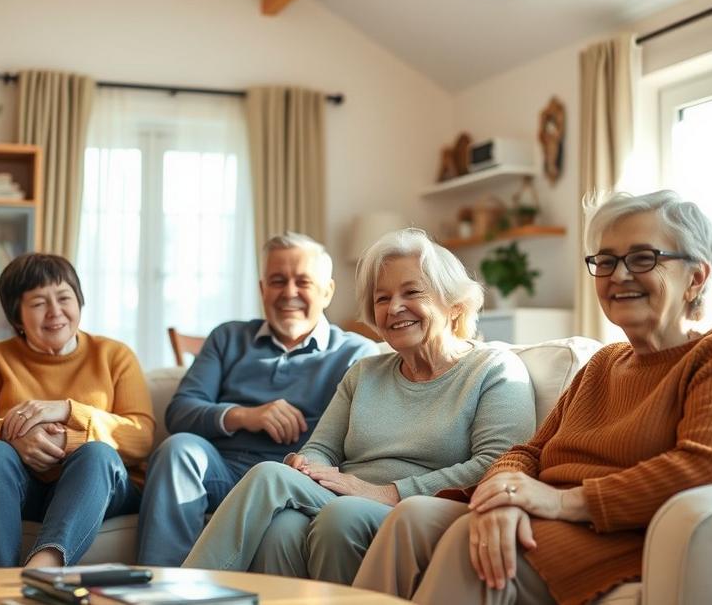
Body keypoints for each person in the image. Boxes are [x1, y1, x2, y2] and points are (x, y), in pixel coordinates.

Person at [354, 191, 712, 605]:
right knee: (410, 519)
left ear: (696, 277)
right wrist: (503, 495)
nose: (618, 275)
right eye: (607, 260)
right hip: (544, 514)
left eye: (642, 258)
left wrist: (560, 502)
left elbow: (706, 467)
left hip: (615, 532)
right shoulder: (604, 363)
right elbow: (528, 451)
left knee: (472, 549)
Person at [183, 228, 536, 584]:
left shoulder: (494, 369)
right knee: (283, 525)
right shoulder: (364, 373)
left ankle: (180, 593)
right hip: (343, 496)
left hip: (417, 509)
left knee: (300, 494)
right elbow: (321, 447)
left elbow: (496, 465)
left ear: (454, 305)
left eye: (411, 292)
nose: (394, 307)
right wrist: (309, 467)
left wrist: (385, 492)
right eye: (382, 298)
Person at [137, 232, 379, 566]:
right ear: (262, 289)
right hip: (222, 470)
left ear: (327, 291)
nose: (289, 293)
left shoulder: (355, 353)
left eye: (303, 282)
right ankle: (159, 589)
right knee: (177, 449)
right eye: (278, 281)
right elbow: (181, 411)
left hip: (292, 478)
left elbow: (351, 438)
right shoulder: (228, 337)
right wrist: (244, 415)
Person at [0, 253, 154, 568]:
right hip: (14, 490)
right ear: (17, 317)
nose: (55, 312)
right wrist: (11, 435)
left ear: (79, 302)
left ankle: (43, 569)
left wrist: (67, 412)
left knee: (98, 454)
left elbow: (140, 438)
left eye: (64, 298)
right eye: (39, 303)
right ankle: (0, 585)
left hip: (91, 489)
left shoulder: (115, 356)